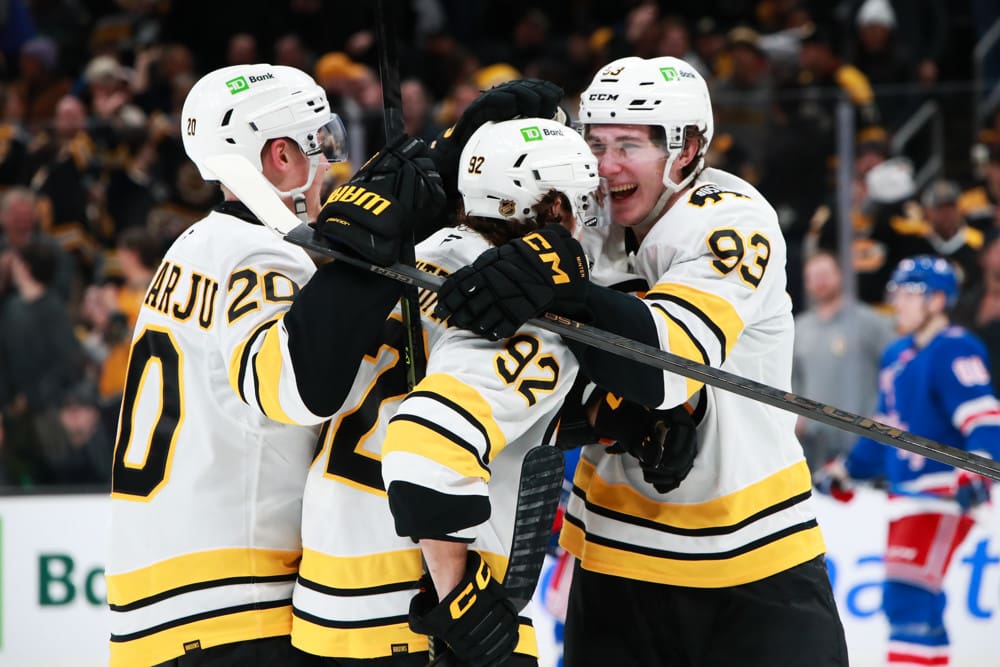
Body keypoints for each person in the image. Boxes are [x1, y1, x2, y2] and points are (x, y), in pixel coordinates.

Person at [435, 56, 849, 666]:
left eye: (628, 145)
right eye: (595, 142)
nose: (605, 166)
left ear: (687, 150)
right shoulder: (580, 212)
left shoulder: (733, 218)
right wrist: (453, 154)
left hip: (757, 558)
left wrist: (562, 286)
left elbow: (664, 369)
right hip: (616, 555)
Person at [104, 63, 445, 667]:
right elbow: (298, 387)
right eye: (323, 146)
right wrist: (370, 255)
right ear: (281, 155)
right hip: (234, 603)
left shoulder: (194, 247)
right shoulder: (262, 255)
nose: (331, 166)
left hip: (159, 603)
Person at [290, 113, 587, 666]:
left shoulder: (415, 255)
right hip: (416, 618)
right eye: (579, 201)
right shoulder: (525, 305)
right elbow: (426, 452)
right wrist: (461, 603)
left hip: (322, 610)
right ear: (552, 209)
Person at [816, 255, 1000, 667]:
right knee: (918, 604)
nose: (898, 301)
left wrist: (979, 468)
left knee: (907, 598)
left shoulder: (954, 347)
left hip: (942, 496)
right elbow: (887, 431)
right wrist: (847, 469)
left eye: (909, 292)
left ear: (937, 300)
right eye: (895, 292)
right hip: (906, 498)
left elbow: (984, 417)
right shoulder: (897, 355)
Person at [793, 251, 896, 470]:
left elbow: (897, 367)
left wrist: (885, 413)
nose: (820, 281)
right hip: (813, 441)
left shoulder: (871, 322)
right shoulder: (799, 328)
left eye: (825, 274)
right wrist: (795, 416)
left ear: (841, 275)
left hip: (862, 435)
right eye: (814, 276)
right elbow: (792, 377)